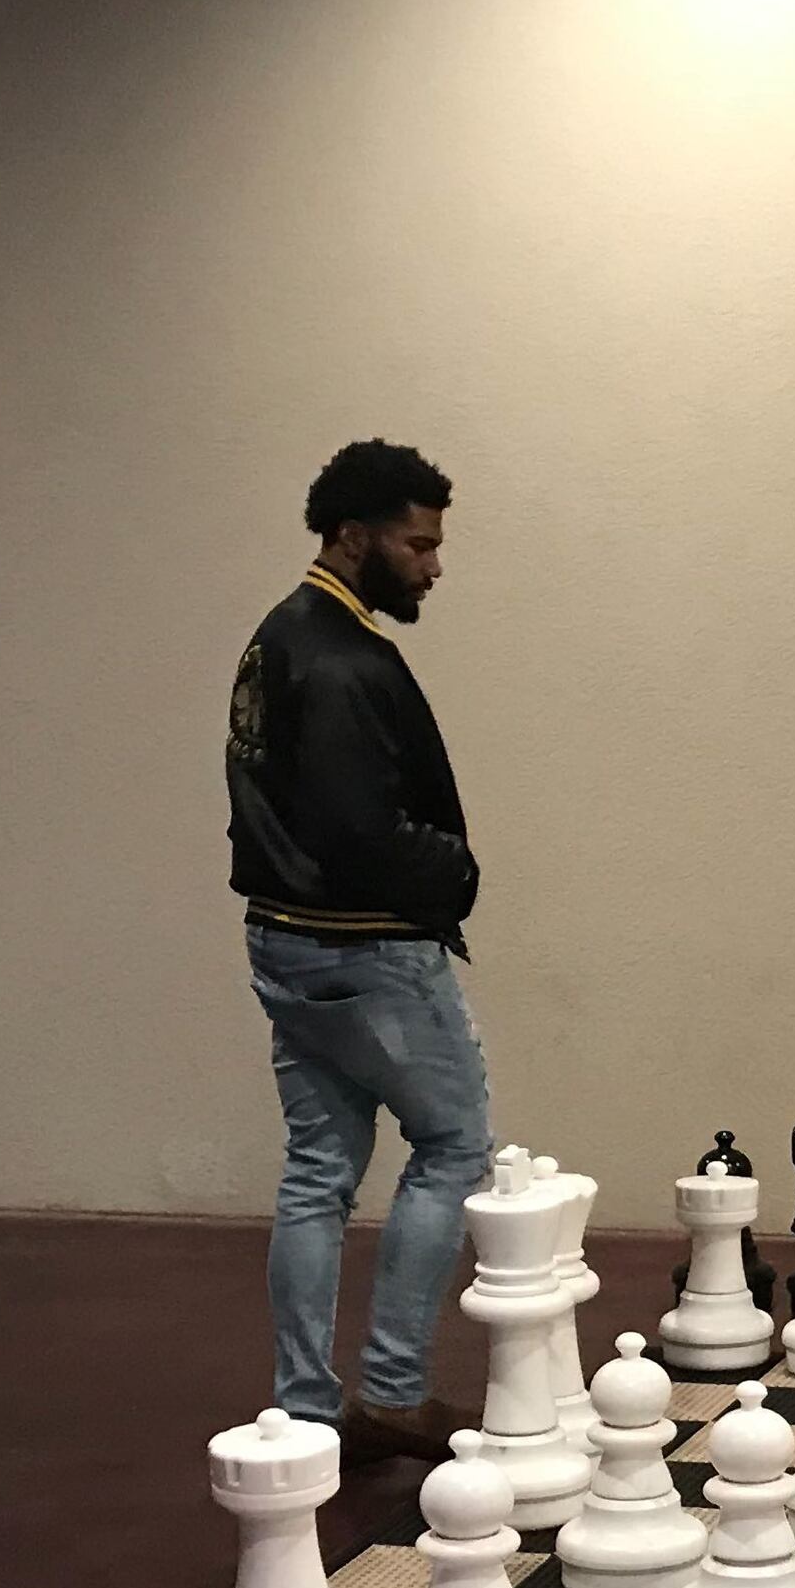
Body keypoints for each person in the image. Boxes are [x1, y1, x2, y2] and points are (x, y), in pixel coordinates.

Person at [227, 440, 496, 1468]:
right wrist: (456, 872)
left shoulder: (277, 640)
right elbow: (359, 828)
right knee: (453, 1146)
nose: (433, 565)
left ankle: (302, 1409)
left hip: (284, 942)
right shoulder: (345, 660)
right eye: (417, 544)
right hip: (368, 947)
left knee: (318, 1171)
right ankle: (390, 1388)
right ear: (353, 533)